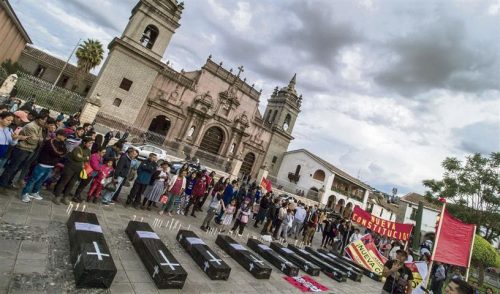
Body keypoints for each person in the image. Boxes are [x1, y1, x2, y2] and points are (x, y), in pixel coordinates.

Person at [0, 113, 47, 189]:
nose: (44, 121)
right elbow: (31, 141)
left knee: (17, 168)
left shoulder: (39, 127)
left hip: (29, 150)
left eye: (45, 120)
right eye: (43, 119)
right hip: (22, 149)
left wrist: (38, 139)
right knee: (12, 167)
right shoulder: (30, 126)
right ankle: (2, 183)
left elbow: (41, 139)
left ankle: (8, 182)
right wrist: (38, 139)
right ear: (38, 119)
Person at [20, 129, 67, 202]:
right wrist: (60, 154)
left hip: (51, 165)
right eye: (64, 136)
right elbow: (55, 153)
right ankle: (24, 194)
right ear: (58, 135)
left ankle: (34, 192)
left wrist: (60, 154)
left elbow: (65, 152)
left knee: (41, 180)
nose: (65, 138)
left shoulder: (62, 143)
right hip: (43, 164)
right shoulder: (50, 141)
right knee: (33, 179)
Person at [53, 137, 92, 205]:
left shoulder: (88, 150)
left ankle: (65, 197)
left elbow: (88, 159)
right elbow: (77, 158)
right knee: (64, 182)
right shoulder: (77, 148)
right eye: (89, 143)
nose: (90, 145)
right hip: (70, 168)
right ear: (84, 142)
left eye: (91, 143)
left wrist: (84, 158)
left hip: (78, 170)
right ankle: (57, 196)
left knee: (71, 184)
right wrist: (85, 158)